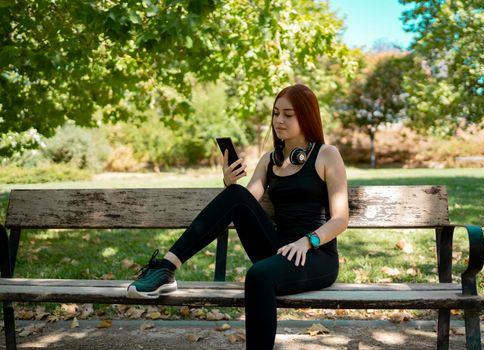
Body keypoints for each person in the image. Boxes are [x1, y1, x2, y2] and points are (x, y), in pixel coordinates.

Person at [127, 84, 349, 349]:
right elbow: (246, 201)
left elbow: (340, 219)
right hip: (278, 248)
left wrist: (307, 241)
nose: (279, 120)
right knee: (236, 194)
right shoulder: (270, 160)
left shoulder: (327, 155)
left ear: (307, 116)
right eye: (276, 113)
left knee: (259, 276)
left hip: (315, 255)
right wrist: (228, 182)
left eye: (288, 115)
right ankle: (166, 268)